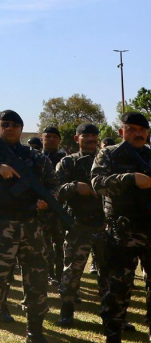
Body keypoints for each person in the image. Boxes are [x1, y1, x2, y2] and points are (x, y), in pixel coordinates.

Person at [0, 110, 57, 343]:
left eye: (15, 125)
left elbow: (53, 185)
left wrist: (47, 201)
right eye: (5, 124)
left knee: (36, 282)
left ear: (21, 129)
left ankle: (35, 333)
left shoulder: (36, 157)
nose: (10, 128)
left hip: (31, 226)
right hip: (1, 226)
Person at [90, 112, 151, 343]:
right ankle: (113, 336)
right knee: (116, 291)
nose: (138, 133)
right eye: (132, 129)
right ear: (121, 131)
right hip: (121, 233)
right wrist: (129, 178)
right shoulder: (109, 154)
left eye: (142, 130)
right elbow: (98, 184)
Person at [55, 123, 106, 327]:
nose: (91, 139)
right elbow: (54, 190)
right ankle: (66, 311)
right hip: (79, 224)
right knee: (72, 271)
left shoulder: (106, 160)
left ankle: (111, 314)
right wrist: (74, 186)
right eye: (86, 136)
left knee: (109, 271)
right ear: (77, 139)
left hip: (105, 224)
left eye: (94, 135)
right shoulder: (68, 162)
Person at [40, 126, 66, 286]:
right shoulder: (36, 158)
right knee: (44, 244)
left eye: (54, 137)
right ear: (42, 139)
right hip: (42, 210)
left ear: (59, 140)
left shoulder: (65, 159)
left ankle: (61, 274)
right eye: (47, 136)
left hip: (61, 209)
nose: (50, 139)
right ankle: (49, 274)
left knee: (61, 245)